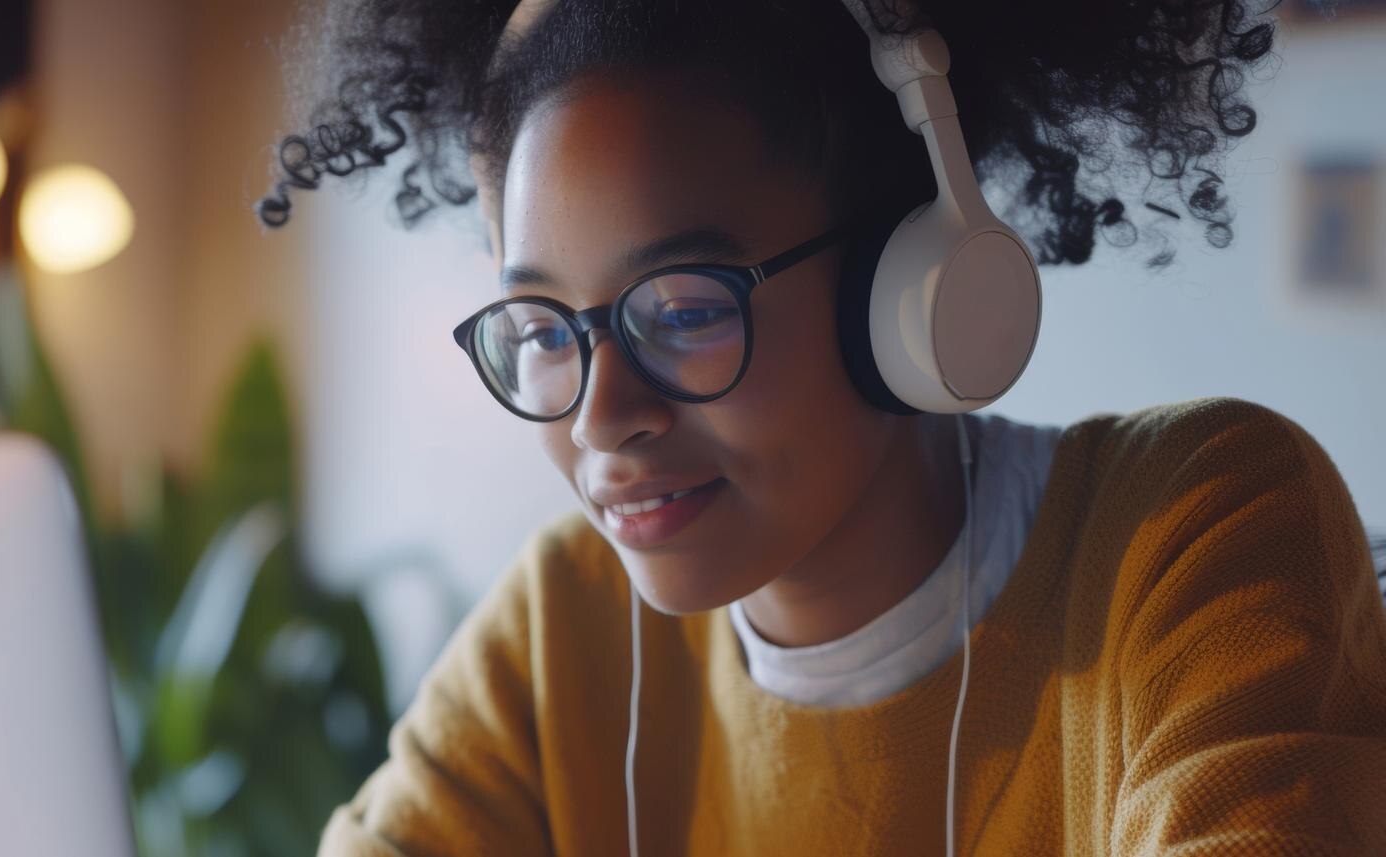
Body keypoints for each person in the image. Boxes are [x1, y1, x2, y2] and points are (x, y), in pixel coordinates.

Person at [255, 1, 1386, 854]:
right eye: (544, 328)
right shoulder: (564, 621)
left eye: (684, 309)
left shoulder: (1192, 527)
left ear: (908, 287)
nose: (602, 417)